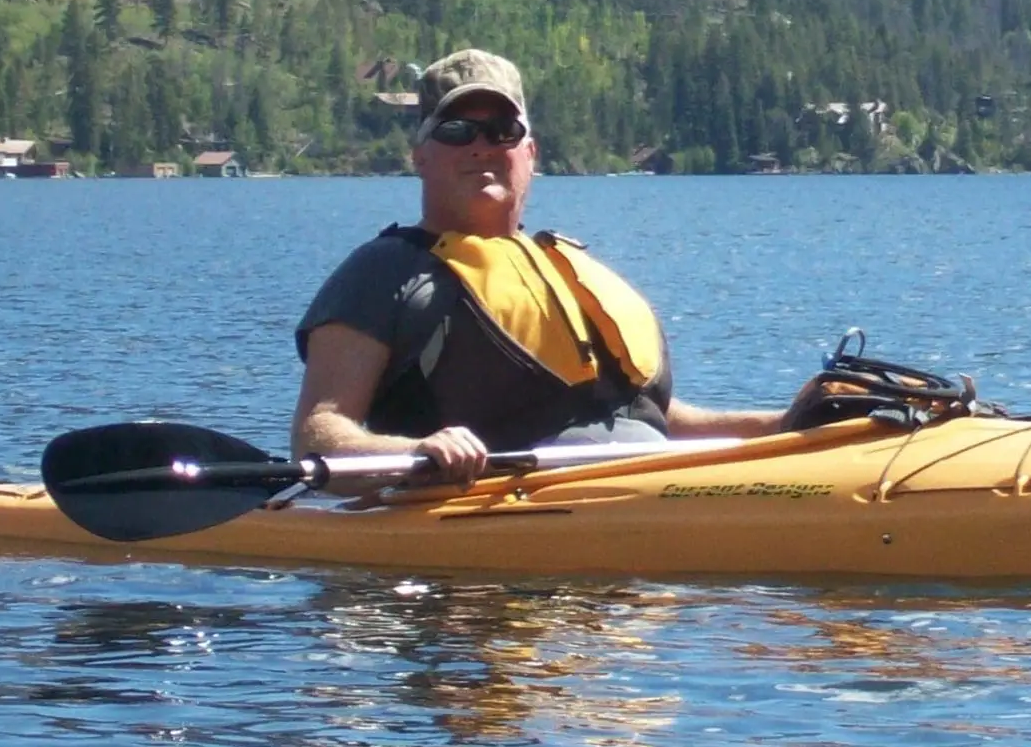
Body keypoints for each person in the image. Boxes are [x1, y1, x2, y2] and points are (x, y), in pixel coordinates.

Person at [292, 48, 789, 486]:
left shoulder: (562, 269)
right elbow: (318, 435)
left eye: (502, 131)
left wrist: (789, 423)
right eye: (457, 131)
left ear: (530, 153)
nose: (481, 146)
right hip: (497, 512)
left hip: (644, 486)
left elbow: (655, 422)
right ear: (420, 156)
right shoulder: (384, 272)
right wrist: (416, 453)